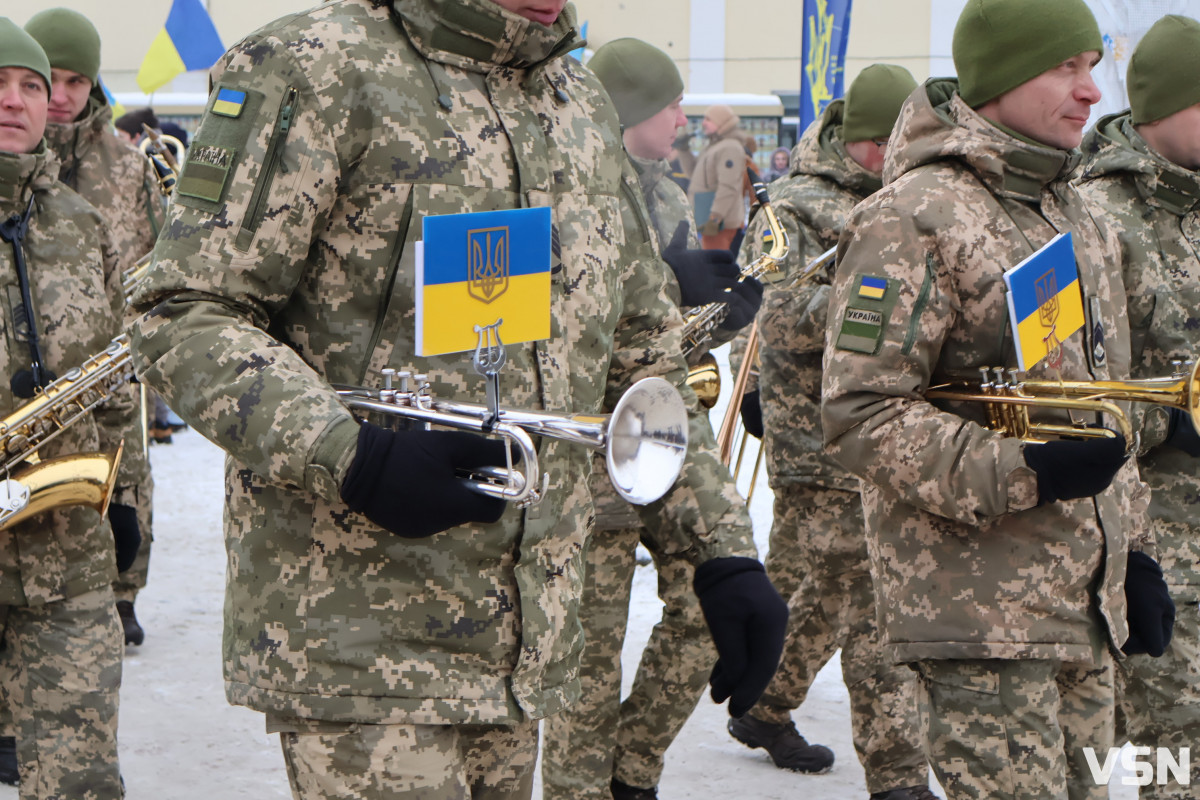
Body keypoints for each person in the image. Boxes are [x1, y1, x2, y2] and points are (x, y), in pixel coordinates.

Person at [127, 2, 787, 799]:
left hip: (522, 643)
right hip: (361, 634)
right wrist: (349, 455)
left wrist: (715, 547)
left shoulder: (574, 105)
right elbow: (182, 310)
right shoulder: (315, 66)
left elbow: (638, 350)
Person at [821, 1, 1175, 797]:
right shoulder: (912, 217)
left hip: (1080, 605)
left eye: (1093, 64)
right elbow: (861, 414)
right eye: (1065, 67)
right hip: (981, 615)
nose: (1091, 90)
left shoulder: (1072, 210)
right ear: (1002, 75)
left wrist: (1135, 554)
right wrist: (1026, 470)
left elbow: (1093, 409)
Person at [541, 38, 762, 800]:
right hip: (588, 467)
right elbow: (558, 334)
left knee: (706, 612)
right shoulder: (556, 193)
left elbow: (655, 340)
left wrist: (718, 316)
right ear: (630, 109)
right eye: (669, 102)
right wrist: (671, 286)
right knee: (586, 671)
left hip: (666, 447)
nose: (681, 115)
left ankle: (631, 771)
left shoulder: (665, 195)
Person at [729, 64, 933, 800]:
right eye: (897, 139)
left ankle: (761, 700)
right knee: (867, 593)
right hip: (817, 442)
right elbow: (778, 317)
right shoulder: (791, 208)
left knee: (810, 584)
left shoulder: (904, 197)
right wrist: (884, 309)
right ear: (868, 141)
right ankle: (899, 773)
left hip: (886, 432)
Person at [0, 18, 140, 798]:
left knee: (80, 780)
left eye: (30, 84)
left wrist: (123, 499)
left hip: (65, 554)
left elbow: (117, 383)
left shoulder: (81, 227)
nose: (18, 100)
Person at [1074, 15, 1200, 800]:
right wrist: (1174, 416)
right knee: (1171, 742)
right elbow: (1068, 398)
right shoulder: (1098, 220)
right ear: (1167, 108)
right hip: (1146, 539)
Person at [24, 7, 165, 648]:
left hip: (113, 360)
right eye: (46, 78)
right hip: (30, 363)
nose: (59, 96)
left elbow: (163, 261)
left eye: (76, 81)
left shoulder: (130, 170)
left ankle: (123, 589)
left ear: (93, 87)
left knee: (124, 472)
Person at [689, 103, 747, 251]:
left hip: (720, 224)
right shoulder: (715, 146)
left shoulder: (730, 148)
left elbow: (728, 186)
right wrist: (683, 150)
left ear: (721, 122)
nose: (704, 123)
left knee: (715, 268)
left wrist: (715, 217)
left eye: (708, 119)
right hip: (708, 219)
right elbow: (693, 174)